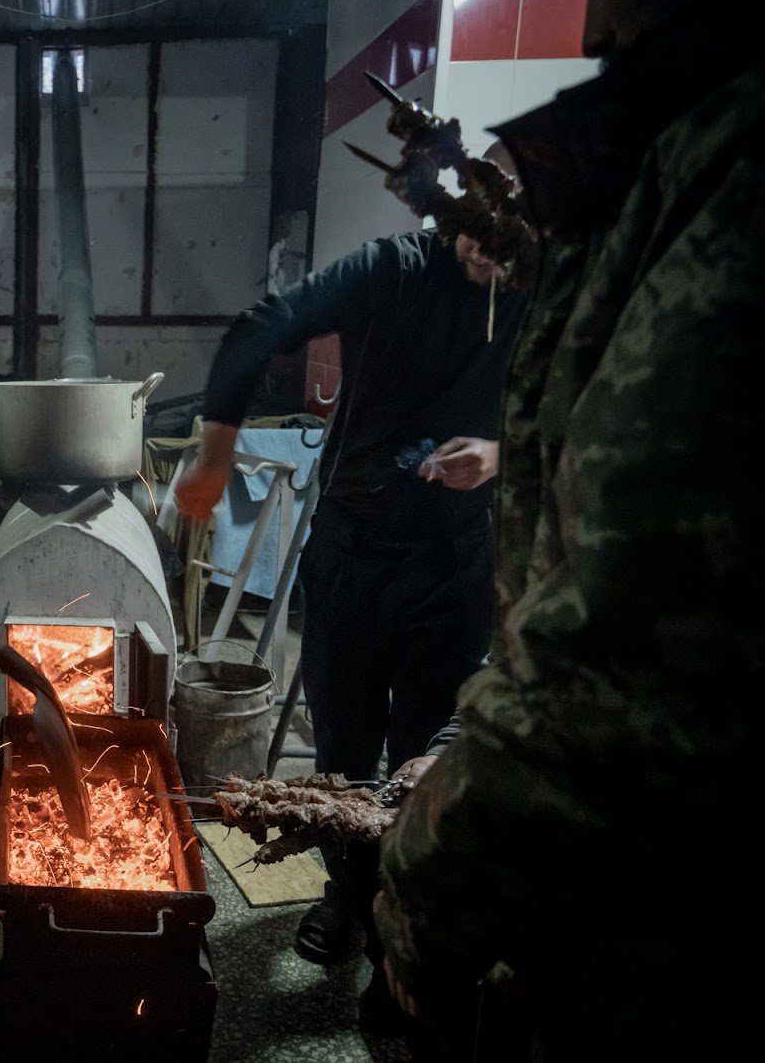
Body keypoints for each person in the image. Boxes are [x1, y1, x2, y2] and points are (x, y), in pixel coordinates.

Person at [373, 0, 758, 1055]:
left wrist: (429, 880)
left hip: (670, 928)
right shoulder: (662, 160)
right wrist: (486, 204)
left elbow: (635, 637)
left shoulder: (734, 158)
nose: (590, 34)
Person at [173, 189, 528, 1033]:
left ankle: (396, 945)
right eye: (476, 238)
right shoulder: (393, 270)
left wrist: (501, 452)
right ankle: (344, 895)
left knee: (424, 761)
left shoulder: (539, 290)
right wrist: (216, 450)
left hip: (457, 558)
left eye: (507, 247)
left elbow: (577, 405)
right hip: (355, 551)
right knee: (344, 742)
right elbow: (262, 325)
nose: (490, 258)